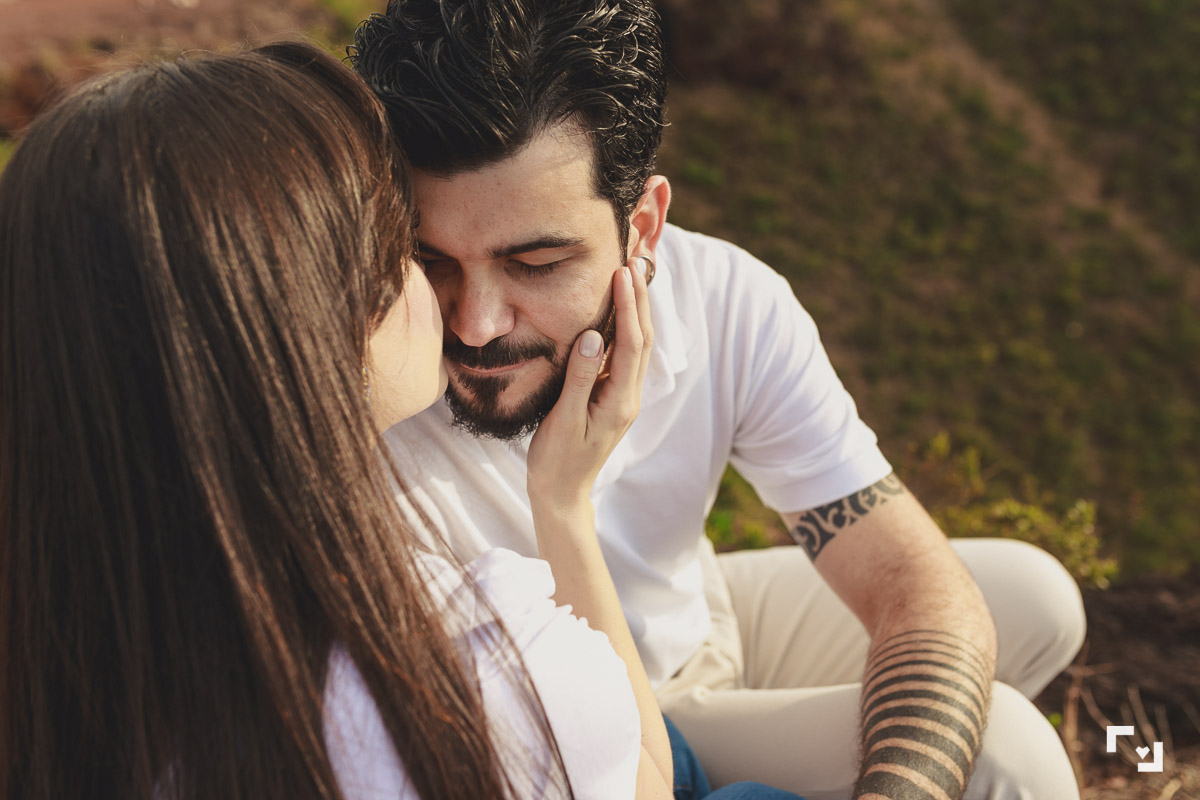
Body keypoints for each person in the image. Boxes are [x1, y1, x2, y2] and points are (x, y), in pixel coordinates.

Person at [0, 41, 803, 800]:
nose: (472, 321)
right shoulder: (481, 662)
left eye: (533, 263)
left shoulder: (61, 632)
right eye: (410, 253)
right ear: (311, 323)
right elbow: (644, 780)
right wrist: (562, 504)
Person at [349, 2, 1088, 797]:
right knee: (1008, 752)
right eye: (431, 260)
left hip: (698, 617)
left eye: (536, 265)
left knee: (1038, 598)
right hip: (623, 716)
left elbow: (911, 581)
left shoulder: (726, 300)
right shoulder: (361, 383)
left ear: (643, 228)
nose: (477, 323)